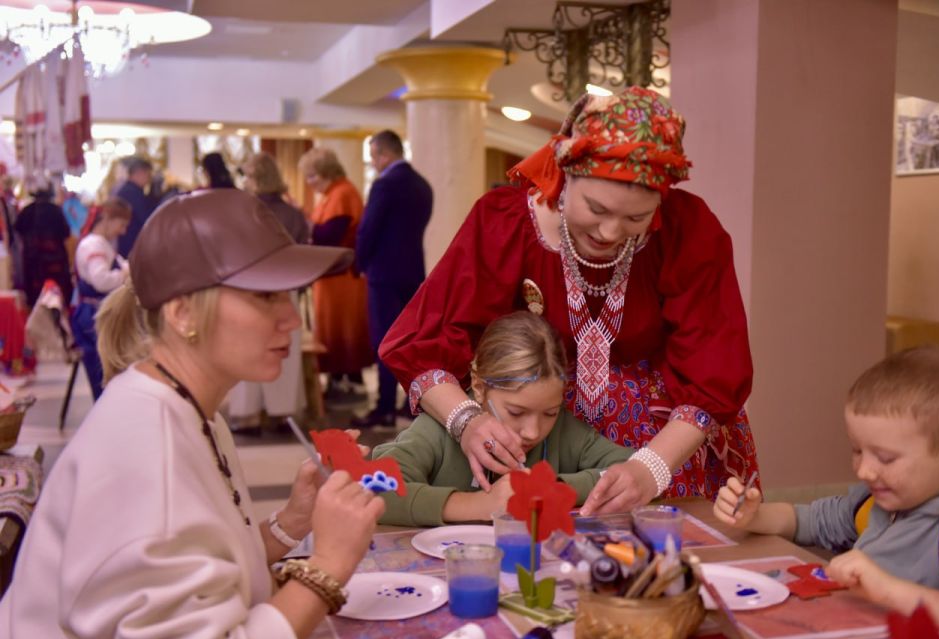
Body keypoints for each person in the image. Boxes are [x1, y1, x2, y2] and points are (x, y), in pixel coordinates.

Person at [0, 190, 385, 638]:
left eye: (288, 295)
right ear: (183, 313)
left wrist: (290, 523)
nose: (291, 319)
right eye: (264, 296)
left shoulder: (184, 404)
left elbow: (200, 570)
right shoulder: (148, 453)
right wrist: (327, 566)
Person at [379, 87, 757, 514]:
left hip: (668, 441)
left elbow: (714, 367)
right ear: (565, 171)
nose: (611, 233)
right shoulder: (502, 224)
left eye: (636, 218)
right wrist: (468, 421)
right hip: (543, 429)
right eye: (596, 208)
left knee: (665, 566)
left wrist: (651, 467)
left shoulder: (690, 230)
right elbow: (421, 342)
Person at [714, 346, 939, 630]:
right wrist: (755, 516)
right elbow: (809, 520)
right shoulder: (871, 502)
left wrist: (888, 590)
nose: (863, 470)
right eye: (857, 450)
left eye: (885, 458)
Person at [372, 311, 632, 526]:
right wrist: (477, 505)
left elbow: (627, 469)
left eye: (550, 413)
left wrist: (553, 488)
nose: (533, 431)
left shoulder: (563, 430)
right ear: (479, 386)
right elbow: (374, 487)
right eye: (517, 412)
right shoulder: (436, 429)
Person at [353, 129, 432, 428]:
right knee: (410, 342)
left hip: (384, 275)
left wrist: (360, 262)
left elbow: (368, 229)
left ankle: (384, 407)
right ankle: (411, 405)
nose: (373, 163)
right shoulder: (423, 185)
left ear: (384, 154)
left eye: (373, 156)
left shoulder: (385, 184)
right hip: (413, 273)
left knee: (384, 342)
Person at [227, 152, 310, 428]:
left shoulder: (242, 211)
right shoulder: (293, 214)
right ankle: (284, 413)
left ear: (254, 178)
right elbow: (303, 252)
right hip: (287, 288)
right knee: (285, 351)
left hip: (250, 290)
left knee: (245, 349)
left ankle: (247, 414)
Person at [298, 146, 373, 406]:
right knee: (332, 330)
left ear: (326, 172)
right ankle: (339, 380)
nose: (309, 183)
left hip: (343, 279)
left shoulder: (342, 193)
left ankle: (347, 384)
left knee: (343, 331)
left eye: (312, 177)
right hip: (332, 277)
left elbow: (327, 235)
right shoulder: (333, 193)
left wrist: (305, 224)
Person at [69, 197, 131, 400]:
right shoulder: (94, 246)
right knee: (104, 373)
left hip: (97, 314)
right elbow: (101, 280)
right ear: (108, 219)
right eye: (121, 225)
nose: (122, 231)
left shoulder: (99, 244)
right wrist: (125, 275)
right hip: (95, 318)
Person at [13, 184, 72, 307]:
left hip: (32, 258)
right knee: (55, 290)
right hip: (54, 260)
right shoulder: (55, 210)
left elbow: (17, 230)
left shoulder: (27, 210)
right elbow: (66, 233)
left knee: (34, 292)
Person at [242, 152, 309, 243]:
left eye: (248, 177)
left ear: (258, 179)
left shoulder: (247, 213)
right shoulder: (295, 215)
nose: (244, 182)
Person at [114, 155, 157, 258]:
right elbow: (146, 217)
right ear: (140, 173)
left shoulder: (130, 190)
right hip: (130, 243)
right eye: (147, 174)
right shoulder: (131, 192)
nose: (148, 179)